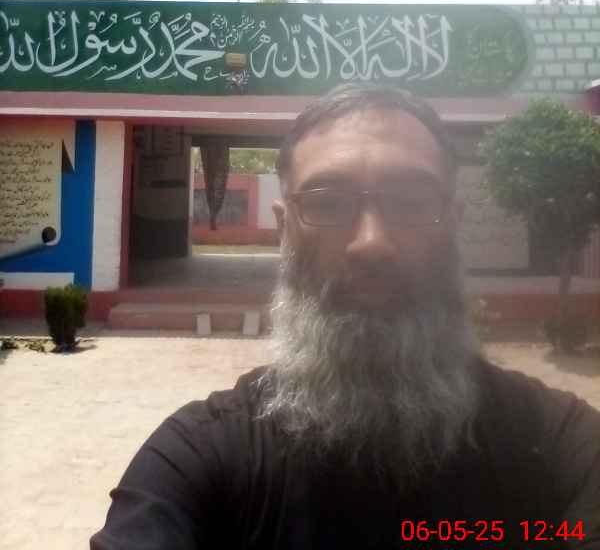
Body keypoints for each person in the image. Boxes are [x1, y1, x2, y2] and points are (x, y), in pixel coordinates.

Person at [91, 83, 600, 550]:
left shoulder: (564, 447)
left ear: (454, 223)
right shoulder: (199, 457)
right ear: (284, 230)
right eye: (328, 203)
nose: (371, 243)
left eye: (411, 202)